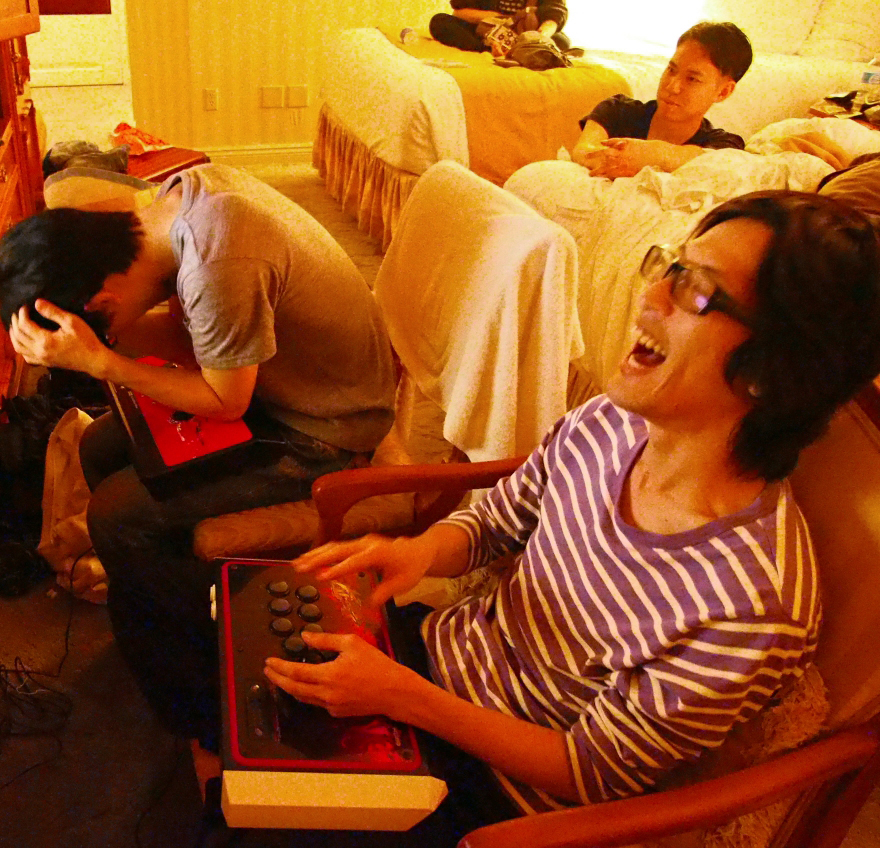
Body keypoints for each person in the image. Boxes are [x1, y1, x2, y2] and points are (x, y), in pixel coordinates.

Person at [194, 191, 880, 846]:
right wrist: (421, 552)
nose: (650, 295)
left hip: (496, 792)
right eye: (668, 266)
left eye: (696, 290)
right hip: (429, 661)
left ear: (773, 372)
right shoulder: (611, 421)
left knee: (255, 814)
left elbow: (592, 772)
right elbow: (496, 521)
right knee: (211, 634)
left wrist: (403, 698)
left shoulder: (751, 607)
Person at [0, 163, 396, 738]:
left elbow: (224, 401)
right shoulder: (177, 202)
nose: (111, 337)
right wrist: (89, 349)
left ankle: (200, 704)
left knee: (119, 515)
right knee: (100, 446)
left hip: (325, 424)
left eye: (105, 325)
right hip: (277, 381)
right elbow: (195, 339)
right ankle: (163, 610)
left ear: (104, 298)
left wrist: (102, 361)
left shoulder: (213, 263)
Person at [572, 22, 751, 178]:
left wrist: (654, 154)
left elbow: (710, 162)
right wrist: (606, 160)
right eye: (671, 70)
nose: (672, 87)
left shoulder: (726, 147)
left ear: (723, 92)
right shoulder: (617, 110)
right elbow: (584, 149)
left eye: (692, 79)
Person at [429, 0, 570, 55]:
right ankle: (488, 50)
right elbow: (459, 12)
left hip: (526, 35)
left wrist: (538, 39)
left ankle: (521, 52)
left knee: (562, 41)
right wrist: (500, 19)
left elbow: (554, 15)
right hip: (485, 31)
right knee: (440, 22)